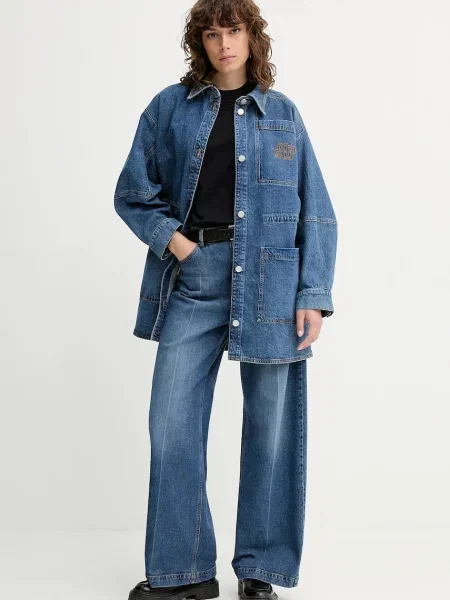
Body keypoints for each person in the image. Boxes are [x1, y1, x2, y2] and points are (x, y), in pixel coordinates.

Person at [114, 1, 338, 599]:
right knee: (172, 422)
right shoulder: (170, 108)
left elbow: (317, 210)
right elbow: (132, 192)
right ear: (200, 43)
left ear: (251, 35)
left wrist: (313, 293)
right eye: (212, 34)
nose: (224, 44)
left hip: (273, 286)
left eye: (233, 30)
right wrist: (178, 244)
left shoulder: (283, 115)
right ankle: (184, 573)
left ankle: (261, 570)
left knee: (270, 430)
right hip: (197, 278)